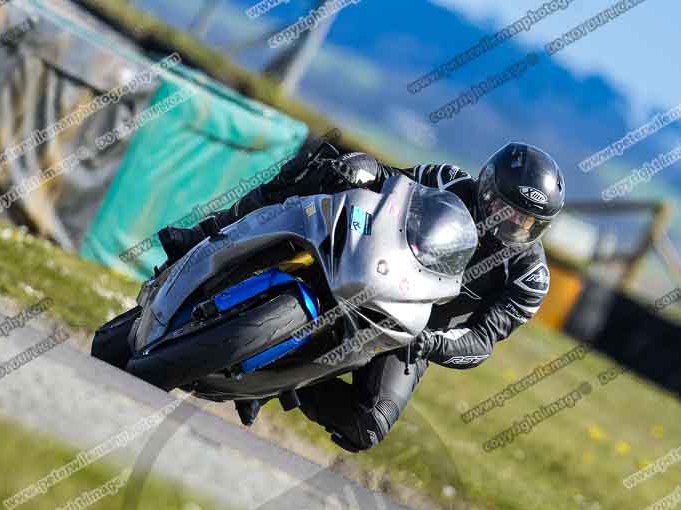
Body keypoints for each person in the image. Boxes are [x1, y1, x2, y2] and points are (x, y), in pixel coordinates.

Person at [158, 140, 566, 452]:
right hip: (369, 260)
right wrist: (363, 167)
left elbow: (482, 340)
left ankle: (281, 381)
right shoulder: (446, 180)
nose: (512, 224)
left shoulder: (530, 278)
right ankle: (205, 235)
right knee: (320, 167)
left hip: (411, 327)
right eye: (506, 208)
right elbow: (391, 182)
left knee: (367, 426)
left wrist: (432, 343)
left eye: (527, 222)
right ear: (487, 185)